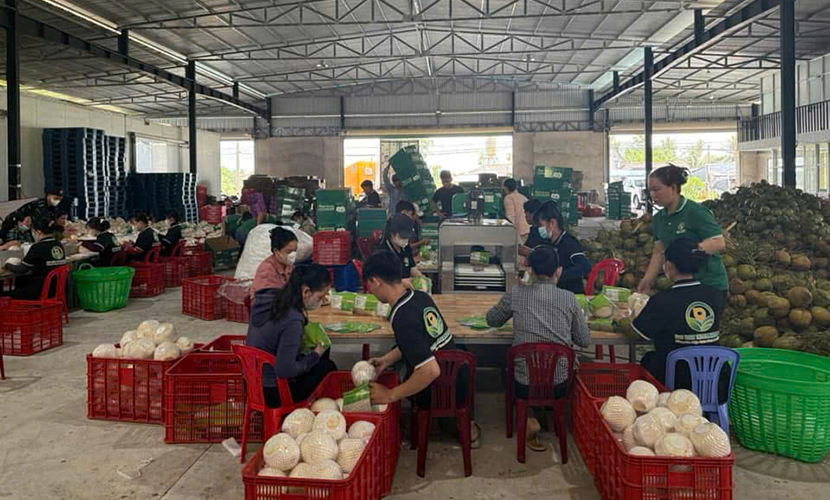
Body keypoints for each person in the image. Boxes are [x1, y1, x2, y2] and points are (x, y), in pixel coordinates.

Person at [363, 251, 481, 446]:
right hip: (459, 374)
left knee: (401, 374)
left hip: (439, 384)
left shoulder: (401, 317)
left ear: (375, 281)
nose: (370, 291)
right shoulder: (418, 296)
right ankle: (468, 425)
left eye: (368, 285)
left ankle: (427, 421)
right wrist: (386, 360)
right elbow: (419, 342)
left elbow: (430, 370)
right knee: (398, 362)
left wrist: (390, 394)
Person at [486, 245, 590, 451]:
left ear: (529, 269)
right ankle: (549, 413)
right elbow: (584, 341)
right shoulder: (569, 298)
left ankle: (529, 416)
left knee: (506, 364)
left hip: (524, 384)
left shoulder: (516, 293)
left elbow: (492, 320)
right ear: (558, 270)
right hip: (560, 383)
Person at [632, 238, 729, 402]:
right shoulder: (716, 295)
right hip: (717, 381)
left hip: (678, 383)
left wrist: (632, 314)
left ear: (668, 265)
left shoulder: (662, 300)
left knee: (648, 359)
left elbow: (637, 331)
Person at [637, 164, 728, 309]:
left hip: (709, 285)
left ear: (673, 188)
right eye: (650, 191)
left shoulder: (696, 212)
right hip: (684, 286)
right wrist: (647, 279)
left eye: (656, 189)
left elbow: (718, 242)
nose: (652, 195)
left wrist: (688, 252)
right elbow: (658, 252)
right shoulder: (659, 218)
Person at [245, 264, 337, 408]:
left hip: (251, 385)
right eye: (320, 296)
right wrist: (315, 355)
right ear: (306, 292)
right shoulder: (293, 319)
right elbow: (284, 370)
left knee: (315, 357)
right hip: (272, 392)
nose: (321, 300)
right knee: (328, 366)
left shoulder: (271, 299)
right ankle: (314, 410)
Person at [533, 201, 591, 294]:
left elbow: (585, 266)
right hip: (553, 292)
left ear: (552, 223)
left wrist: (559, 276)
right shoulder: (548, 243)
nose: (538, 229)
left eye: (540, 225)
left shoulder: (569, 243)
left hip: (570, 293)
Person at [2, 218, 66, 299]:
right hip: (57, 288)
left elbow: (22, 269)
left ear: (38, 232)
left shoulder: (37, 247)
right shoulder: (58, 244)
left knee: (4, 293)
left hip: (41, 289)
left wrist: (8, 264)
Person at [251, 227, 298, 296]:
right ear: (276, 251)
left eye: (295, 251)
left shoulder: (289, 266)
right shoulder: (267, 269)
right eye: (289, 252)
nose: (293, 255)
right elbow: (268, 299)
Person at [383, 213, 423, 286]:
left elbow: (412, 269)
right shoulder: (382, 253)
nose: (406, 240)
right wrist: (401, 283)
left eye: (408, 237)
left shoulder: (406, 248)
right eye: (403, 237)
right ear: (392, 234)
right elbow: (382, 283)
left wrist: (422, 279)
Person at [502, 178, 530, 243]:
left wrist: (509, 232)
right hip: (526, 229)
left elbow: (510, 217)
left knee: (516, 251)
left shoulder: (508, 198)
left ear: (506, 188)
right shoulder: (523, 197)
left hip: (518, 231)